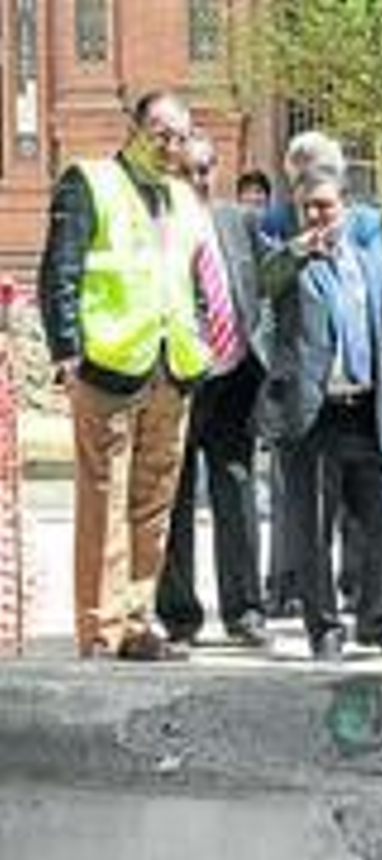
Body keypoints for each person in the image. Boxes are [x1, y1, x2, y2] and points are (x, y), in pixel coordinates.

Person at [37, 90, 212, 660]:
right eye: (160, 133)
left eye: (180, 136)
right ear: (134, 129)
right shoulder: (90, 182)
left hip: (171, 364)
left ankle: (137, 620)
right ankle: (101, 626)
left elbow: (195, 279)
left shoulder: (184, 197)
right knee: (104, 498)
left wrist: (200, 344)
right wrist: (67, 351)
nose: (170, 146)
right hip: (107, 364)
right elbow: (60, 268)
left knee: (154, 503)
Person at [257, 166, 382, 662]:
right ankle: (324, 628)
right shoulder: (289, 262)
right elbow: (262, 283)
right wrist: (298, 251)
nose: (316, 215)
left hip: (368, 411)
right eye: (307, 206)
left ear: (345, 208)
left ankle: (377, 620)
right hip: (313, 417)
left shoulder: (373, 262)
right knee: (312, 532)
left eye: (325, 205)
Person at [156, 133, 272, 648]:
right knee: (175, 498)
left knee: (237, 493)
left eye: (205, 170)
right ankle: (180, 616)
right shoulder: (156, 227)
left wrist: (301, 254)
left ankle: (245, 612)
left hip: (236, 379)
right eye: (187, 171)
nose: (198, 180)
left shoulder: (238, 220)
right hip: (180, 379)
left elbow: (268, 277)